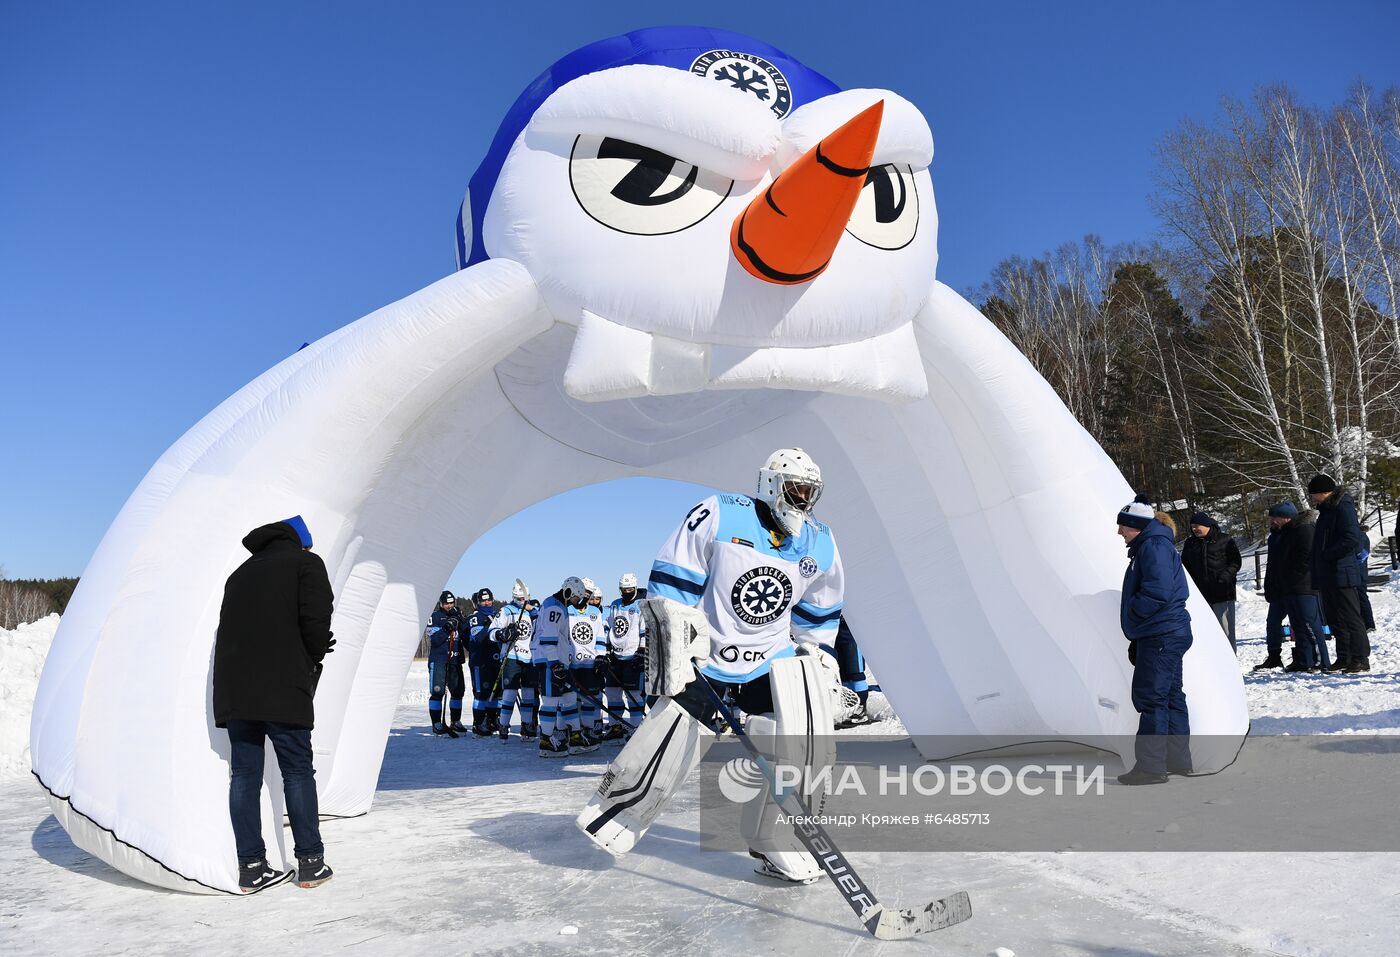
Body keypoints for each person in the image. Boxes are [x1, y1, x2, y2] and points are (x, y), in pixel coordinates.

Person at [578, 448, 846, 884]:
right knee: (670, 744)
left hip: (770, 660)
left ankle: (768, 836)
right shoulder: (720, 514)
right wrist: (676, 647)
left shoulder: (819, 539)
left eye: (809, 492)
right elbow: (672, 582)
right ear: (772, 485)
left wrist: (818, 655)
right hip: (708, 659)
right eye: (796, 489)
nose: (802, 500)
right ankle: (617, 816)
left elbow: (821, 607)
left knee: (795, 746)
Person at [212, 515, 335, 892]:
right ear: (301, 541)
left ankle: (251, 867)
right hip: (282, 686)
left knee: (244, 776)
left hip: (236, 691)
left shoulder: (239, 574)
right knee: (297, 772)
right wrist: (316, 653)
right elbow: (316, 617)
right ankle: (310, 862)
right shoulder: (305, 564)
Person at [1116, 500, 1192, 786]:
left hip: (1160, 633)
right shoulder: (1155, 545)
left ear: (1136, 526)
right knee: (1171, 695)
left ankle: (1151, 767)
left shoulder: (1153, 547)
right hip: (1166, 632)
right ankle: (1177, 761)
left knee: (1152, 698)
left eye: (1122, 525)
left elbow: (1158, 591)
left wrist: (1135, 614)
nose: (1119, 531)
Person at [1308, 475, 1370, 673]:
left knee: (1350, 616)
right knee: (1335, 617)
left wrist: (1327, 555)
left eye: (1314, 495)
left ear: (1324, 492)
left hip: (1341, 571)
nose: (1313, 499)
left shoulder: (1342, 506)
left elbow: (1351, 538)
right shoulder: (1327, 510)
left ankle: (1360, 658)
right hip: (1328, 573)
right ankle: (1344, 656)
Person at [1181, 512, 1242, 652]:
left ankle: (1230, 661)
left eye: (1197, 526)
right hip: (1201, 596)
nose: (1195, 529)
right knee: (1206, 632)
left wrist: (1224, 577)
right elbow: (1185, 566)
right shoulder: (1190, 543)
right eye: (1192, 527)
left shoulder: (1225, 539)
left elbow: (1235, 562)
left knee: (1226, 631)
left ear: (1207, 525)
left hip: (1223, 593)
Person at [490, 579, 538, 741]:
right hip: (511, 656)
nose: (521, 602)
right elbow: (492, 631)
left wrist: (535, 612)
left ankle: (526, 725)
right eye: (518, 599)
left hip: (530, 657)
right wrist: (502, 634)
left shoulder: (534, 612)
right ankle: (503, 724)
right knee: (510, 693)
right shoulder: (507, 610)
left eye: (524, 599)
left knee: (529, 693)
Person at [603, 572, 648, 739]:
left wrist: (642, 651)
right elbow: (609, 626)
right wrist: (607, 649)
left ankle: (636, 729)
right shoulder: (615, 605)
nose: (626, 592)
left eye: (629, 589)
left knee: (634, 694)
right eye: (623, 589)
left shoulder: (641, 605)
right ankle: (615, 726)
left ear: (635, 588)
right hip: (615, 655)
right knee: (612, 692)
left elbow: (644, 629)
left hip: (633, 656)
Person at [566, 577, 608, 752]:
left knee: (589, 699)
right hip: (572, 663)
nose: (586, 596)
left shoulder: (595, 612)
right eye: (584, 593)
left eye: (589, 594)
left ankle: (589, 730)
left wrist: (600, 656)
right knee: (571, 699)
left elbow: (599, 636)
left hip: (589, 663)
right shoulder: (567, 610)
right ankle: (574, 731)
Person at [425, 591, 467, 734]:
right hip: (439, 660)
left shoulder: (457, 615)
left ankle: (456, 721)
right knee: (437, 692)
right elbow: (435, 640)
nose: (449, 606)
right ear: (441, 604)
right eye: (446, 603)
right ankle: (436, 723)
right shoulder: (435, 617)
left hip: (455, 660)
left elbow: (466, 637)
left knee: (458, 691)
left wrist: (462, 622)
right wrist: (447, 627)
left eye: (451, 603)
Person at [466, 587, 501, 735]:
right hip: (480, 662)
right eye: (483, 601)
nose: (487, 603)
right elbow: (478, 638)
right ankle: (478, 723)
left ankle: (492, 720)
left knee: (496, 692)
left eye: (489, 600)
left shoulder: (497, 615)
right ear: (478, 602)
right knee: (482, 693)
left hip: (495, 660)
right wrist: (488, 626)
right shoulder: (476, 617)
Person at [832, 615, 873, 727]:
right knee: (841, 674)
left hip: (852, 631)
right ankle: (847, 708)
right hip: (835, 629)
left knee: (856, 673)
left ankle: (860, 710)